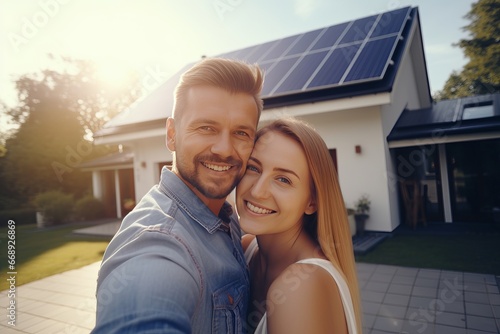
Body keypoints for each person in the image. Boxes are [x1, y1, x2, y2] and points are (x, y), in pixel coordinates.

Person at [92, 57, 264, 333]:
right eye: (206, 128)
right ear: (172, 135)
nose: (223, 149)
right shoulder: (157, 243)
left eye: (241, 133)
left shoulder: (228, 220)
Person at [236, 118, 362, 333]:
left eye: (283, 180)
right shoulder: (247, 249)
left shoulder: (303, 286)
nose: (257, 191)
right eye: (253, 168)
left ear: (311, 202)